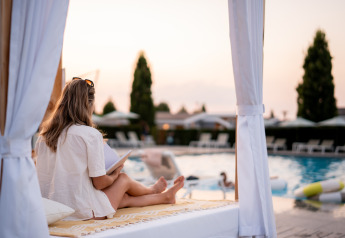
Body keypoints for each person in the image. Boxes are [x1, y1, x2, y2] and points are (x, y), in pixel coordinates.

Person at [36, 78, 184, 220]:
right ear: (88, 105)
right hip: (81, 211)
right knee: (124, 179)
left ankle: (164, 197)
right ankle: (152, 190)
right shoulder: (89, 135)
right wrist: (114, 174)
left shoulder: (43, 137)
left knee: (124, 199)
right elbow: (99, 183)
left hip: (53, 210)